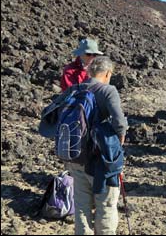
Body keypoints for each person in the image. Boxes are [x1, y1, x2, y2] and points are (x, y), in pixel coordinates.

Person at [59, 56, 128, 235]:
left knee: (81, 207)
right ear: (107, 73)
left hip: (75, 156)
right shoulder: (108, 90)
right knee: (105, 206)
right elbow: (120, 124)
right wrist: (116, 147)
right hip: (101, 161)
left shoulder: (74, 89)